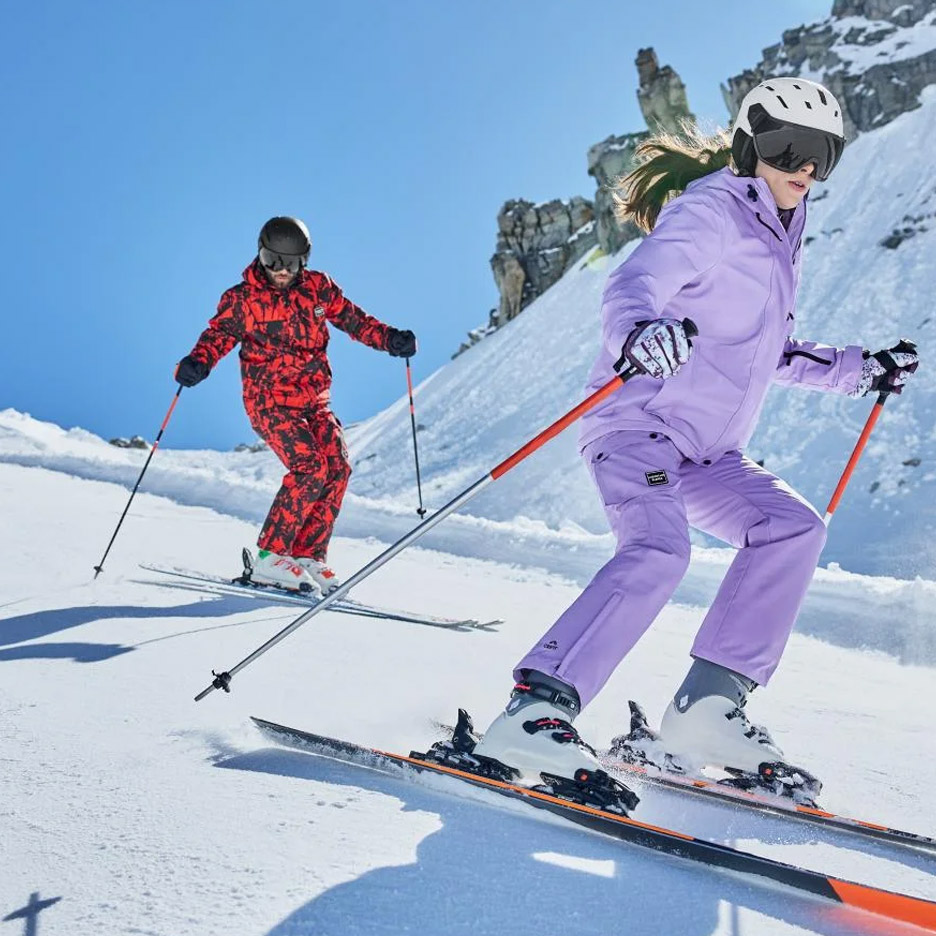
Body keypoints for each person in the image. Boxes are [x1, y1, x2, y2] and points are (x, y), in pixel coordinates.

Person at [473, 78, 920, 786]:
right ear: (750, 146)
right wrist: (642, 332)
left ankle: (708, 707)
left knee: (792, 528)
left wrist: (859, 370)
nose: (804, 167)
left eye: (822, 155)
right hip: (637, 426)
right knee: (657, 548)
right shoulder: (711, 210)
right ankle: (536, 710)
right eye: (788, 148)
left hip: (709, 453)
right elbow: (631, 286)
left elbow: (769, 352)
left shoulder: (780, 235)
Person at [175, 216, 417, 594]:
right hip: (268, 400)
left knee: (337, 466)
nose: (280, 270)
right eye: (272, 259)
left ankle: (306, 554)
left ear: (304, 260)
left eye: (289, 262)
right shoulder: (242, 299)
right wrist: (198, 361)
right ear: (259, 254)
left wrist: (389, 339)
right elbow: (217, 335)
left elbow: (353, 320)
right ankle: (270, 558)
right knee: (310, 467)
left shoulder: (319, 289)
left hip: (313, 400)